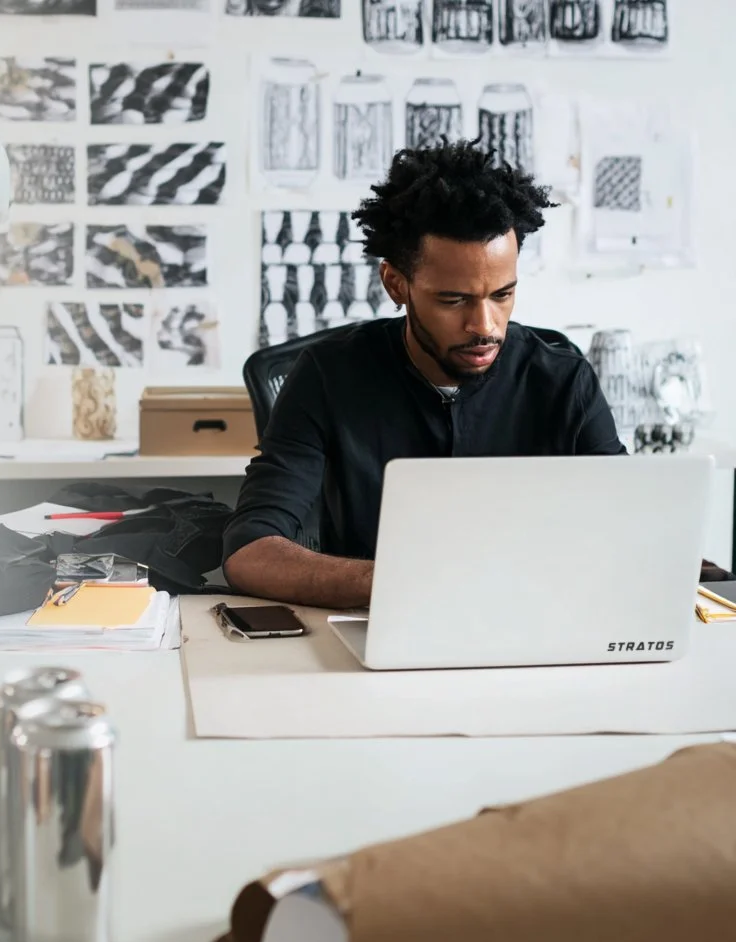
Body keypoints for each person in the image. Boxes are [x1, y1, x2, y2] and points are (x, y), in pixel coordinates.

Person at [223, 140, 626, 608]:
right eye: (454, 300)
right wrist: (407, 583)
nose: (485, 326)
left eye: (502, 295)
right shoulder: (328, 375)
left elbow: (627, 525)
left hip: (535, 621)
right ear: (396, 283)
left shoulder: (563, 378)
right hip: (379, 627)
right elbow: (250, 550)